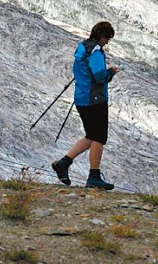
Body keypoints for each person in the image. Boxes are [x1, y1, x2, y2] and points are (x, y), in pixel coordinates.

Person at [51, 21, 120, 190]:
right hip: (95, 99)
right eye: (107, 38)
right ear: (102, 36)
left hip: (82, 98)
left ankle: (64, 163)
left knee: (91, 135)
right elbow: (99, 76)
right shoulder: (95, 51)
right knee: (98, 138)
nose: (107, 42)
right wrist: (110, 73)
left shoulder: (82, 48)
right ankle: (93, 176)